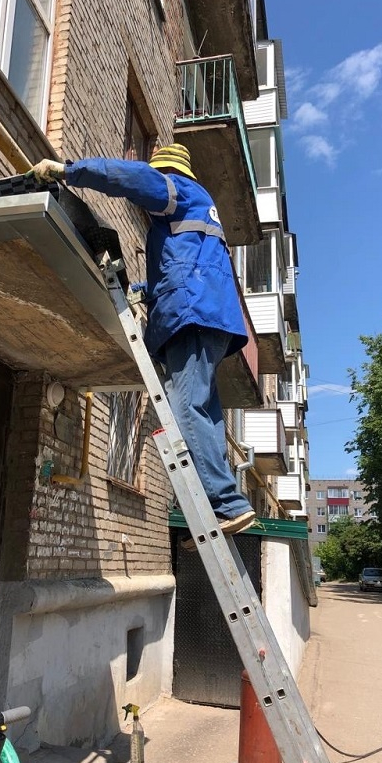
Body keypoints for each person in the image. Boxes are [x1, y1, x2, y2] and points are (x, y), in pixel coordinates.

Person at [32, 144, 256, 537]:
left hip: (192, 315)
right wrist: (142, 291)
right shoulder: (196, 212)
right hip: (207, 314)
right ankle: (223, 506)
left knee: (185, 409)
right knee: (204, 413)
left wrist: (70, 171)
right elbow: (183, 268)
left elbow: (131, 178)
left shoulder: (176, 190)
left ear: (168, 172)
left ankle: (225, 503)